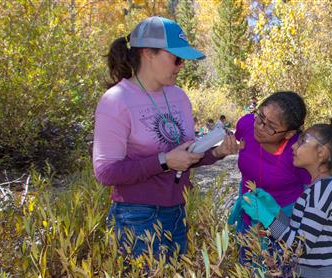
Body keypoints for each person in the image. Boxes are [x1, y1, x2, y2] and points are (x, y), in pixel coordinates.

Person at [93, 16, 238, 259]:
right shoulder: (116, 100)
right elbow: (106, 172)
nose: (181, 66)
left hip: (178, 211)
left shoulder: (179, 97)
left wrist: (218, 152)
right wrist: (164, 161)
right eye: (176, 59)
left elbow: (187, 157)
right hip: (136, 217)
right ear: (148, 53)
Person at [242, 112, 332, 278]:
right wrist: (275, 211)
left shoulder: (323, 190)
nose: (293, 146)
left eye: (302, 142)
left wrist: (269, 218)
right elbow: (297, 231)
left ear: (321, 152)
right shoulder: (314, 187)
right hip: (310, 275)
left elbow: (299, 246)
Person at [228, 91, 311, 278]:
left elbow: (314, 188)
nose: (260, 127)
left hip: (281, 224)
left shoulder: (296, 153)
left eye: (270, 126)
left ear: (288, 133)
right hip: (247, 219)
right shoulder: (246, 125)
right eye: (260, 117)